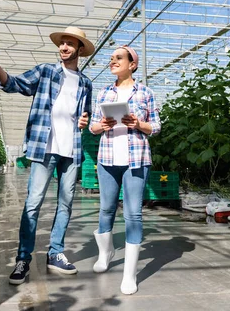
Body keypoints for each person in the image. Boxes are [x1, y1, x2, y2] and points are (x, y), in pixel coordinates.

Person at [0, 26, 94, 285]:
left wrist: (86, 120)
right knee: (33, 204)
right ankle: (23, 259)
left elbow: (86, 115)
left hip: (72, 150)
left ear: (80, 49)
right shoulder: (45, 71)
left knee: (65, 204)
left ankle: (56, 253)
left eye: (69, 43)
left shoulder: (86, 83)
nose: (63, 47)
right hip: (44, 147)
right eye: (61, 43)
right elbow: (16, 85)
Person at [89, 45, 161, 295]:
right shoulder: (103, 93)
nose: (113, 62)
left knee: (133, 214)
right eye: (111, 59)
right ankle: (105, 253)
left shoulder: (145, 93)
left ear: (132, 64)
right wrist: (102, 125)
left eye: (118, 58)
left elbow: (157, 127)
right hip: (107, 158)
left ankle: (129, 275)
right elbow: (92, 128)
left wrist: (139, 124)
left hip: (136, 159)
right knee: (106, 209)